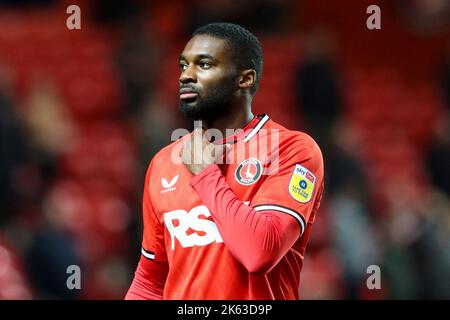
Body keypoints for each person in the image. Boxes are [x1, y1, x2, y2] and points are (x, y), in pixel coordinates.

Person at [125, 22, 324, 300]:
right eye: (183, 65)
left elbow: (260, 252)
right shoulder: (163, 163)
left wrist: (205, 175)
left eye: (204, 65)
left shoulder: (291, 149)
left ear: (245, 79)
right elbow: (150, 281)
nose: (186, 76)